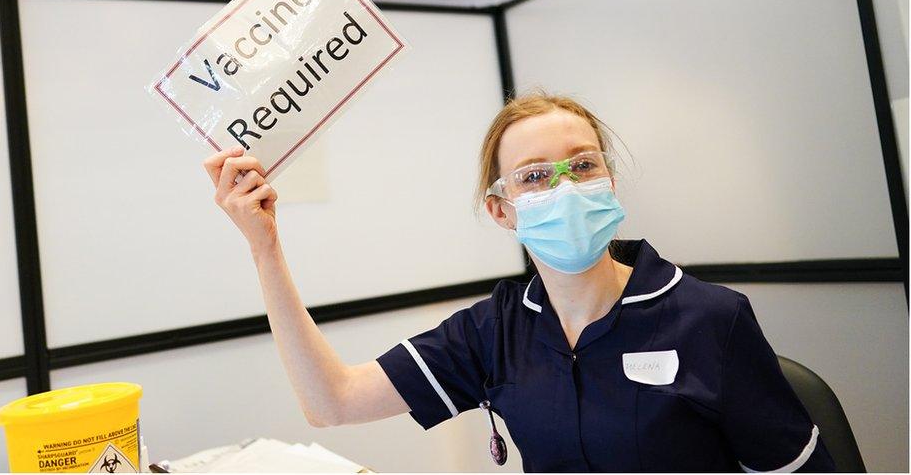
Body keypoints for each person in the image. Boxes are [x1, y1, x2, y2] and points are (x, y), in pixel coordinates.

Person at [203, 92, 836, 472]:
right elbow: (332, 400)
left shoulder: (710, 319)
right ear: (501, 210)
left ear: (609, 183)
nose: (564, 187)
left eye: (582, 165)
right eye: (534, 177)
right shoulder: (494, 330)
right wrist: (265, 250)